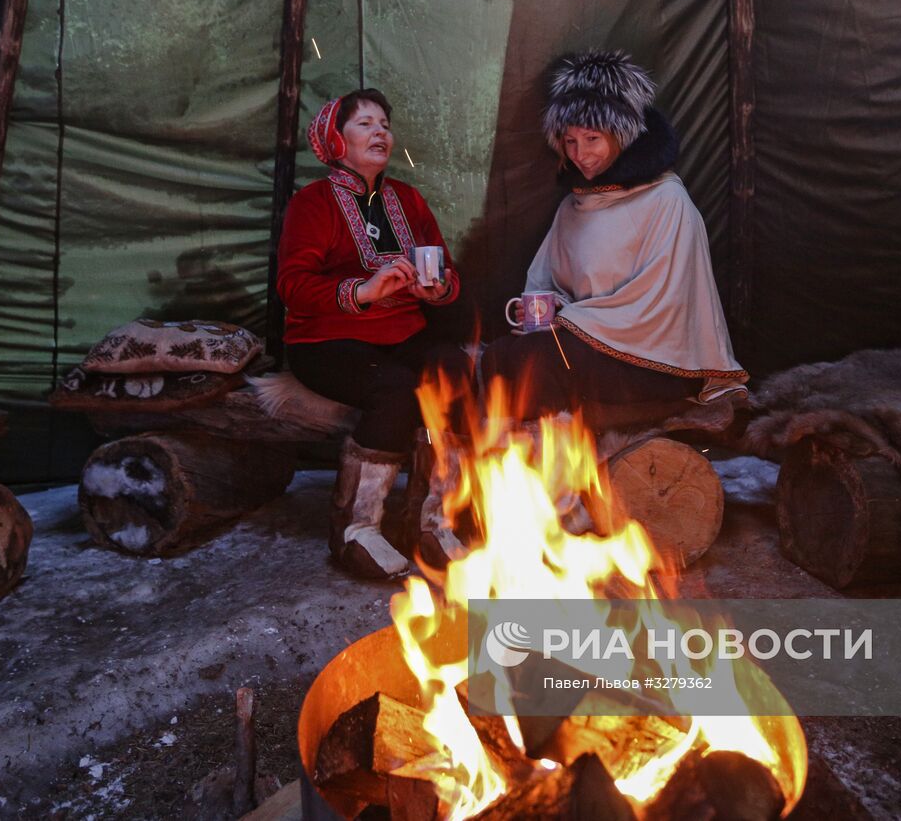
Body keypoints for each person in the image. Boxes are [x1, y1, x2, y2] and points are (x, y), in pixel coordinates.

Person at [480, 50, 748, 419]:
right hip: (581, 348)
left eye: (592, 139)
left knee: (536, 361)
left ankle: (556, 463)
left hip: (655, 364)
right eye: (570, 142)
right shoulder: (573, 208)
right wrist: (553, 307)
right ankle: (512, 466)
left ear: (621, 135)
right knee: (497, 357)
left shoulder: (667, 201)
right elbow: (545, 284)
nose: (580, 154)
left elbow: (659, 310)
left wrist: (571, 321)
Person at [277, 89, 466, 580]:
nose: (380, 131)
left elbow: (446, 269)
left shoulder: (408, 198)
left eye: (384, 123)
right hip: (325, 341)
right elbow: (292, 287)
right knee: (395, 393)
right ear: (335, 141)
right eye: (365, 124)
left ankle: (428, 523)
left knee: (452, 372)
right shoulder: (312, 203)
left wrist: (438, 287)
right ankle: (354, 530)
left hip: (401, 331)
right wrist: (362, 290)